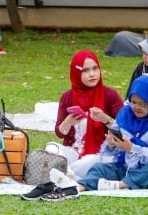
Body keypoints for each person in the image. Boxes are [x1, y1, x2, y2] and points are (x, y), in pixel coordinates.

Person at [47, 50, 124, 179]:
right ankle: (69, 174)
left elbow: (125, 130)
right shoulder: (67, 97)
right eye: (85, 70)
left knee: (92, 162)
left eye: (95, 69)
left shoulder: (110, 95)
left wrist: (105, 119)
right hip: (73, 152)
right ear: (77, 73)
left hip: (100, 153)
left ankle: (64, 175)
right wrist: (68, 122)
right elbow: (59, 133)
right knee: (51, 147)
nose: (92, 74)